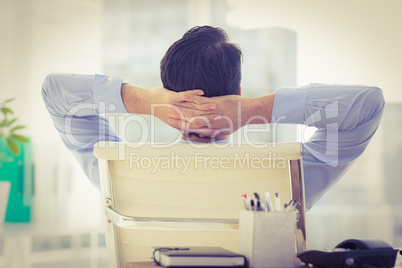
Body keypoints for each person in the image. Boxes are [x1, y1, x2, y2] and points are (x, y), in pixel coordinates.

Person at [42, 26, 385, 210]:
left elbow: (56, 94)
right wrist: (254, 110)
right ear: (238, 88)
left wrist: (142, 100)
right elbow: (367, 104)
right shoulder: (289, 176)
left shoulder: (117, 172)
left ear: (166, 89)